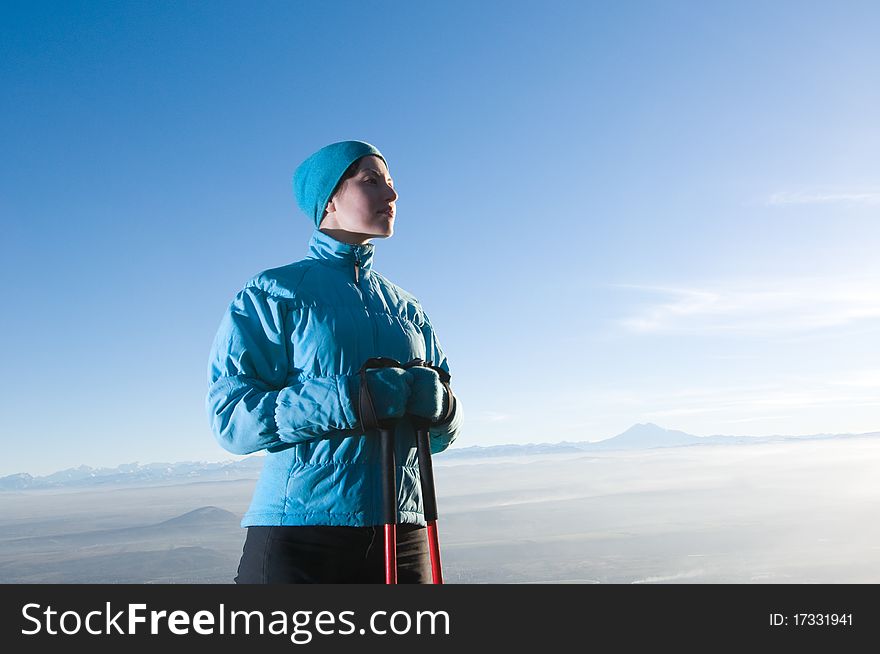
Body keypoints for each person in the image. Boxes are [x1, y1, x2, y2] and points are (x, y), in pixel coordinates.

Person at [205, 140, 463, 583]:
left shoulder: (408, 308)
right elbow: (231, 419)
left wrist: (441, 407)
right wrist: (351, 398)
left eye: (392, 183)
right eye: (371, 181)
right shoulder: (274, 292)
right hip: (303, 534)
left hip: (404, 531)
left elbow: (438, 439)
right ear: (329, 200)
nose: (392, 195)